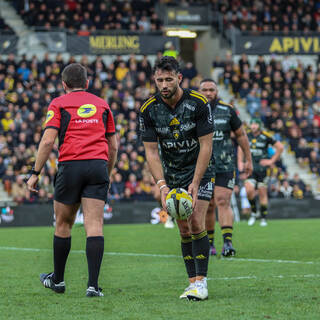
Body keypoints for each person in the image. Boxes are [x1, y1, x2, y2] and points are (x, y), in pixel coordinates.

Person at [27, 63, 118, 297]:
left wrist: (35, 173)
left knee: (63, 224)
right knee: (95, 225)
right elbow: (113, 145)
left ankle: (58, 280)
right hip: (98, 164)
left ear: (64, 84)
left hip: (71, 166)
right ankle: (93, 286)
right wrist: (106, 171)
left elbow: (47, 141)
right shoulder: (103, 104)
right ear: (87, 83)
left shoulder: (58, 103)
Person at [139, 56, 214, 301]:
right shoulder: (148, 109)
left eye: (169, 79)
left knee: (195, 221)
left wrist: (195, 181)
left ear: (179, 78)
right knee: (183, 228)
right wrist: (161, 185)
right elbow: (151, 151)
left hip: (200, 171)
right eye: (159, 80)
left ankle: (201, 283)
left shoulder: (199, 103)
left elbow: (206, 145)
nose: (164, 84)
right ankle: (192, 282)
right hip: (172, 174)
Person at [199, 79, 252, 257]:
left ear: (217, 92)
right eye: (204, 90)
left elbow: (241, 136)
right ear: (199, 92)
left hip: (225, 164)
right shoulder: (193, 111)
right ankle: (210, 244)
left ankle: (227, 243)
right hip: (202, 166)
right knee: (208, 205)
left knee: (223, 201)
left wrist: (248, 159)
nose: (208, 93)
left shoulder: (227, 110)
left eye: (211, 90)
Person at [238, 118, 283, 227]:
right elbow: (240, 148)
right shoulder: (246, 135)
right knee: (249, 190)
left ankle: (263, 218)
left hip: (263, 170)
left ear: (259, 125)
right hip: (250, 168)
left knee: (262, 193)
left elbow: (280, 147)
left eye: (255, 124)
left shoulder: (266, 136)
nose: (253, 126)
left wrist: (271, 161)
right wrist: (240, 161)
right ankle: (254, 212)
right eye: (251, 123)